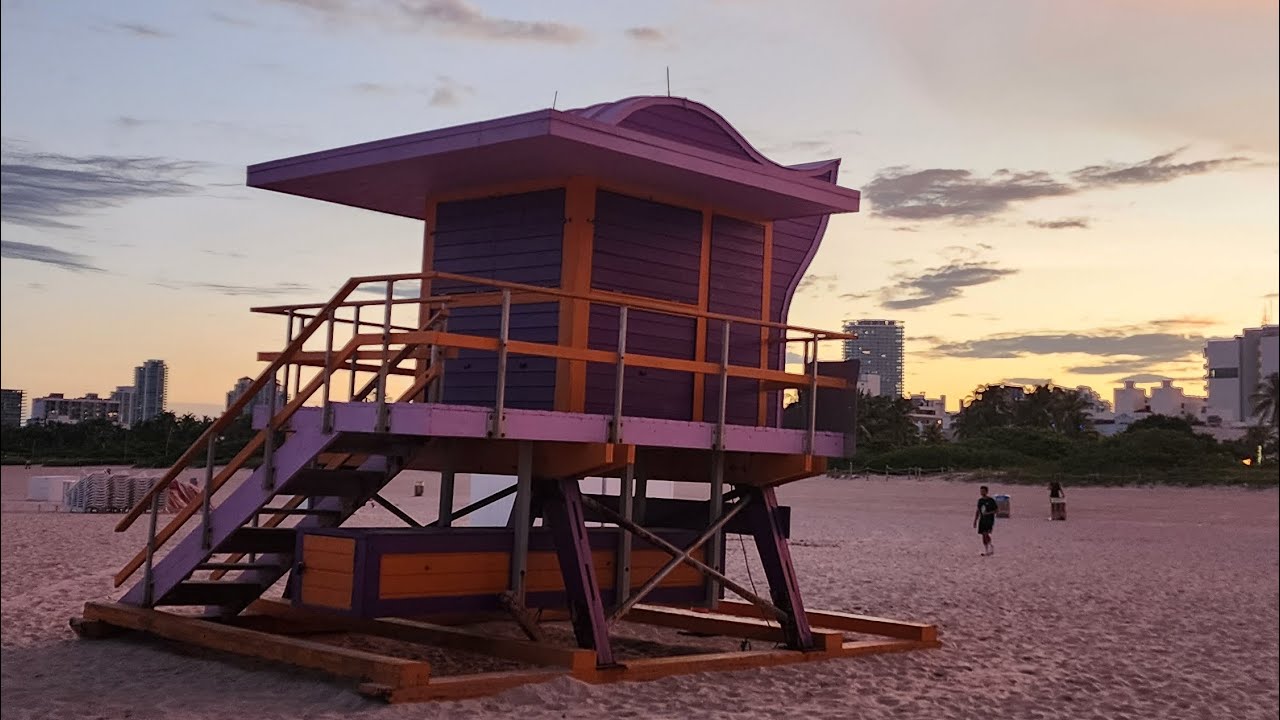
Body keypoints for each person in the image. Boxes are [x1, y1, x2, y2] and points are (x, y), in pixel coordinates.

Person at [973, 485, 998, 556]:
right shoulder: (980, 501)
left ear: (987, 491)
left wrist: (988, 513)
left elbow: (996, 510)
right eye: (981, 491)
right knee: (983, 535)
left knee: (986, 533)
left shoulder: (991, 500)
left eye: (983, 491)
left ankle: (990, 547)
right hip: (982, 520)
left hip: (989, 519)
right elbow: (978, 511)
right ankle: (987, 549)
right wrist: (975, 520)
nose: (982, 492)